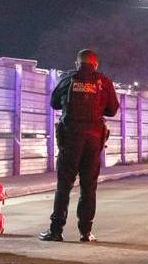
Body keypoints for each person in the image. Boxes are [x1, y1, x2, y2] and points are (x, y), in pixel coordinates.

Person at [39, 49, 118, 242]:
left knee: (64, 186)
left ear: (77, 63)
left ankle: (56, 231)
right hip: (93, 141)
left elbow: (54, 103)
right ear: (95, 65)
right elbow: (112, 110)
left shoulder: (68, 79)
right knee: (88, 187)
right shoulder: (104, 82)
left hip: (70, 139)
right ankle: (86, 232)